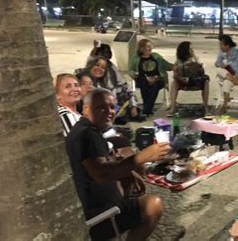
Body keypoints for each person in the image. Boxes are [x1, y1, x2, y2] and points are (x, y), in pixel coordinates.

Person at [66, 88, 170, 240]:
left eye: (111, 107)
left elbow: (98, 165)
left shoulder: (83, 129)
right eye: (101, 107)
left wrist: (128, 171)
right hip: (97, 217)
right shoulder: (88, 135)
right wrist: (141, 157)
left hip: (91, 204)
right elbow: (101, 174)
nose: (109, 111)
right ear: (86, 109)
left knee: (128, 177)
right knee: (154, 204)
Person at [83, 56, 143, 124]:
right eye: (97, 65)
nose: (100, 69)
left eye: (103, 67)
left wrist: (133, 105)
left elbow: (127, 88)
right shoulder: (82, 78)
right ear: (91, 65)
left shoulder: (105, 84)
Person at [129, 39, 174, 116]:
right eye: (148, 46)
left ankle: (146, 109)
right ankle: (148, 109)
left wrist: (175, 66)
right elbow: (130, 70)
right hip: (142, 79)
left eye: (151, 46)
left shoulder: (156, 56)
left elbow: (167, 66)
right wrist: (134, 74)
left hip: (158, 78)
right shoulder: (135, 58)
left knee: (155, 85)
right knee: (144, 83)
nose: (150, 48)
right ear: (142, 48)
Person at [168, 41, 210, 117]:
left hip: (195, 81)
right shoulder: (179, 61)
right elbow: (175, 76)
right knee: (174, 83)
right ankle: (172, 107)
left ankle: (206, 106)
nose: (192, 50)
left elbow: (202, 72)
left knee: (206, 82)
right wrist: (180, 72)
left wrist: (197, 63)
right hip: (183, 81)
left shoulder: (195, 59)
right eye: (190, 49)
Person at [216, 34, 238, 113]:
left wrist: (236, 77)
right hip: (229, 76)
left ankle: (225, 105)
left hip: (237, 75)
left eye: (221, 45)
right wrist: (221, 64)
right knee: (219, 70)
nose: (220, 47)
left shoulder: (236, 52)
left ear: (227, 45)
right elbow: (217, 63)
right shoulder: (221, 53)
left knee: (226, 81)